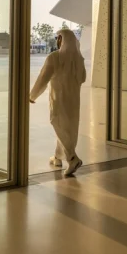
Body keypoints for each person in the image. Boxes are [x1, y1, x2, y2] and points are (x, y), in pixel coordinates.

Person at [29, 28, 86, 177]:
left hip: (59, 100)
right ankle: (58, 157)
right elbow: (83, 78)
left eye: (58, 38)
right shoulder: (79, 60)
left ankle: (72, 158)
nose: (57, 41)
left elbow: (43, 79)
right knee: (68, 128)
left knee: (58, 124)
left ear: (63, 40)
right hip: (74, 101)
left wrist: (32, 96)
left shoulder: (54, 57)